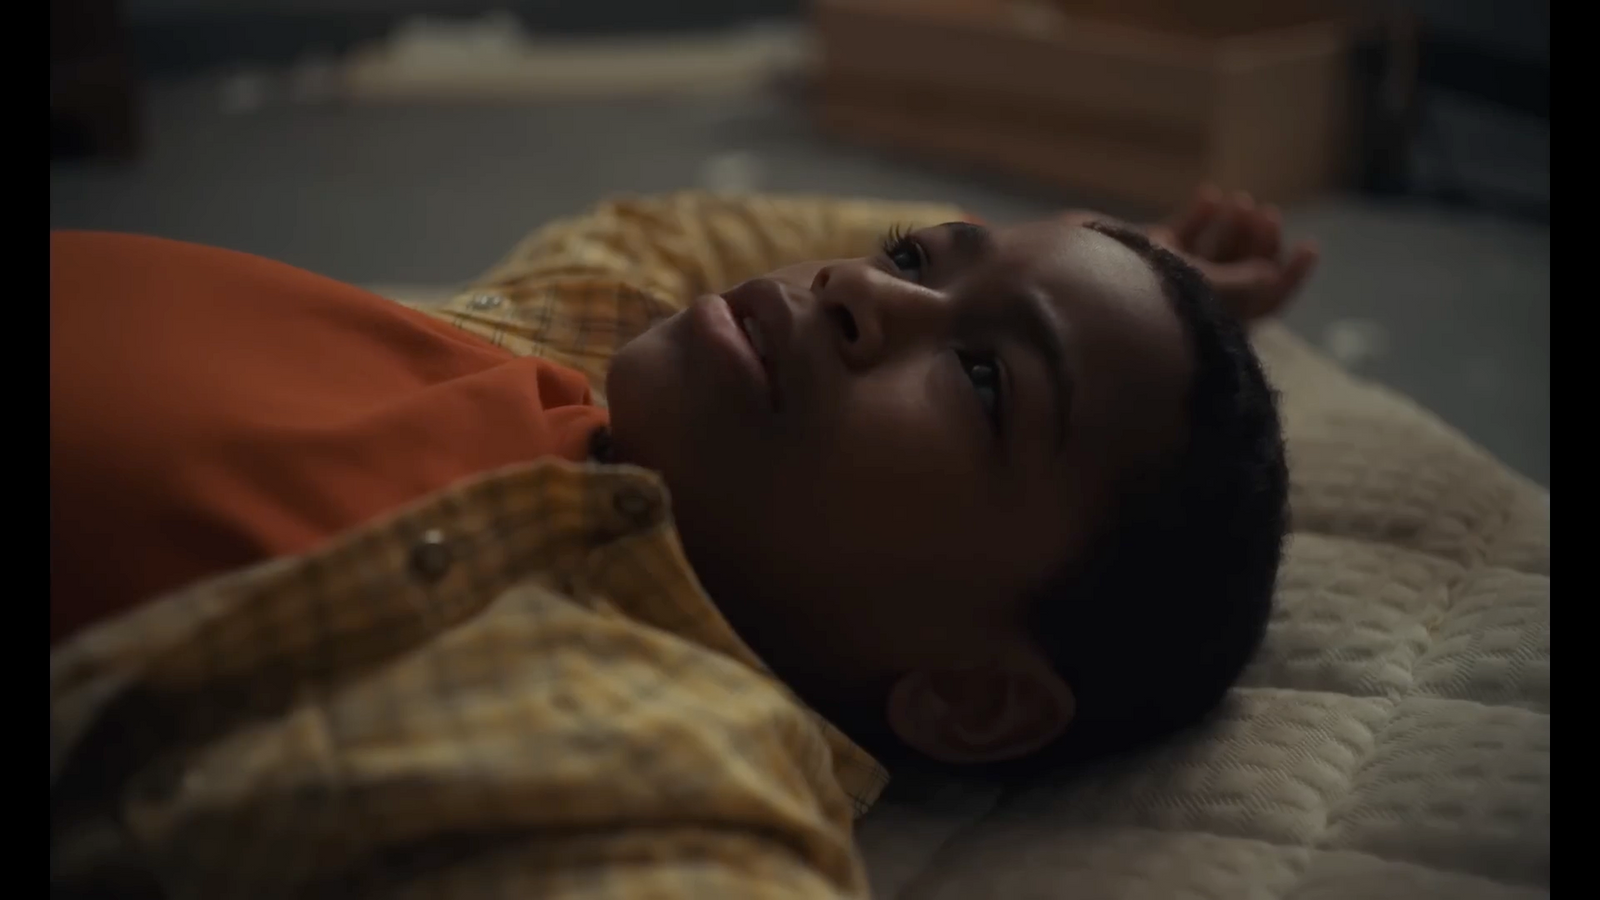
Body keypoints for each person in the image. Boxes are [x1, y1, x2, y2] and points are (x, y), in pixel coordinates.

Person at [50, 187, 1316, 897]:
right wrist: (1145, 262)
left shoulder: (655, 749)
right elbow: (689, 232)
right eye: (908, 257)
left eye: (985, 380)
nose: (863, 290)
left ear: (974, 696)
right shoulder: (584, 336)